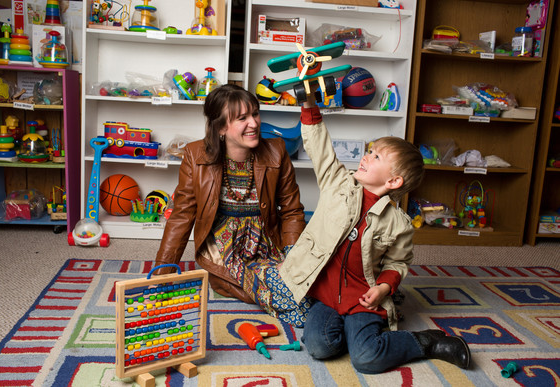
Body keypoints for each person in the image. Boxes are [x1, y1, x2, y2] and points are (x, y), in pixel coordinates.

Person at [278, 92, 471, 373]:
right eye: (369, 150)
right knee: (319, 348)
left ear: (393, 180)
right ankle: (352, 333)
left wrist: (383, 288)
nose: (366, 156)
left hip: (362, 299)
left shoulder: (399, 223)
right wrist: (308, 102)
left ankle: (425, 342)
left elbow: (397, 263)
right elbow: (319, 147)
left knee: (367, 359)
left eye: (376, 155)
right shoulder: (338, 184)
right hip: (327, 296)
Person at [154, 84, 310, 327]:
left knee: (309, 284)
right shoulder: (195, 156)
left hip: (267, 242)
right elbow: (182, 216)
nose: (254, 123)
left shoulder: (278, 152)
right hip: (224, 248)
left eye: (255, 114)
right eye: (242, 118)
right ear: (221, 128)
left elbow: (291, 211)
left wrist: (292, 259)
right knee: (289, 296)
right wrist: (162, 275)